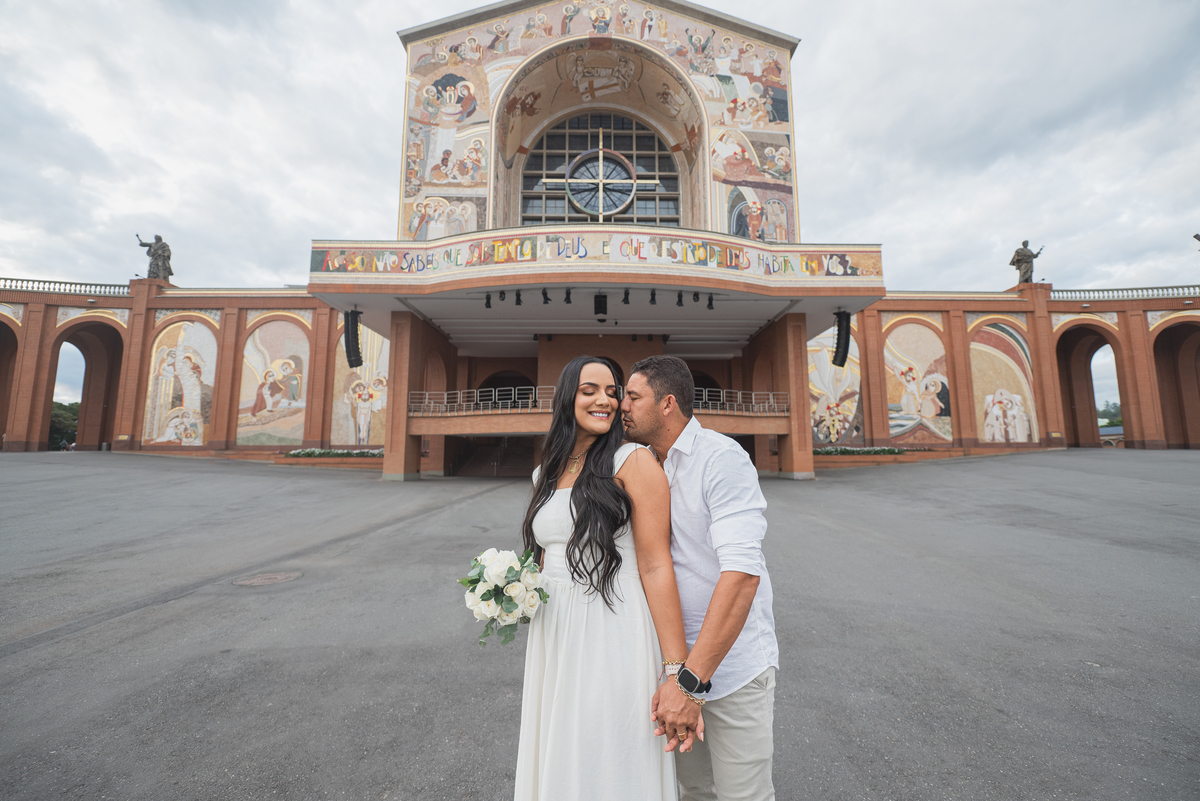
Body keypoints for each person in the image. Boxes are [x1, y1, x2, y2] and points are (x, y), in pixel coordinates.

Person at [515, 356, 693, 800]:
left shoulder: (631, 461)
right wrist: (510, 588)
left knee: (607, 749)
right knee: (560, 744)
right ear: (567, 397)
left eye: (613, 391)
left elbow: (655, 565)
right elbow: (546, 553)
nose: (605, 400)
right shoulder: (545, 472)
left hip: (611, 627)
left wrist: (677, 673)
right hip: (553, 634)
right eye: (590, 390)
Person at [621, 355, 778, 801]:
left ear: (667, 403)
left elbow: (743, 575)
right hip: (670, 671)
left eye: (633, 397)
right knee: (691, 791)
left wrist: (691, 682)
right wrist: (675, 677)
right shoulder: (643, 464)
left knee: (743, 796)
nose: (622, 407)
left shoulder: (721, 459)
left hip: (730, 673)